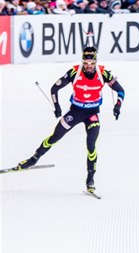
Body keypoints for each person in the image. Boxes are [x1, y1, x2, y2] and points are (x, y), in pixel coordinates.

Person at [13, 45, 125, 193]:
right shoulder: (75, 72)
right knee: (55, 137)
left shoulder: (103, 73)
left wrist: (117, 106)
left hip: (92, 114)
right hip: (75, 111)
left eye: (92, 64)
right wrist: (57, 106)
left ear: (96, 62)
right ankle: (33, 159)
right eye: (86, 63)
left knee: (91, 144)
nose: (89, 67)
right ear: (82, 61)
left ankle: (90, 179)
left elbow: (120, 90)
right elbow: (54, 88)